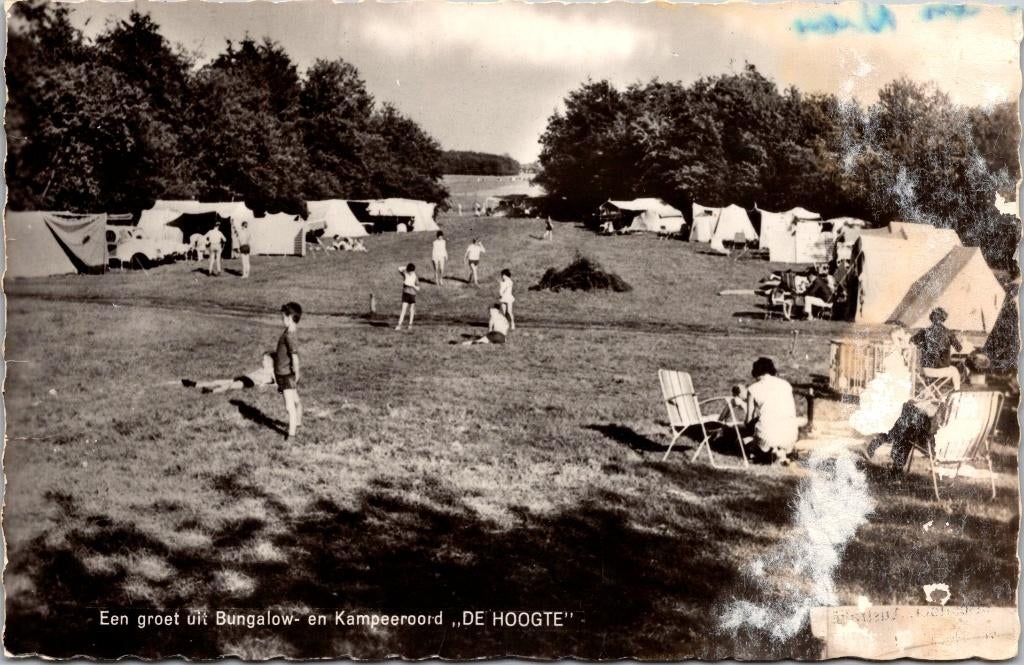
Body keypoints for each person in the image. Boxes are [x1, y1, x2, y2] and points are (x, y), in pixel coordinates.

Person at [850, 326, 914, 435]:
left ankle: (891, 426)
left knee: (893, 401)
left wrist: (906, 344)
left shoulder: (899, 348)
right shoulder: (896, 347)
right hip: (893, 374)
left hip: (896, 374)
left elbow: (903, 352)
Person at [745, 357, 799, 464]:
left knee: (745, 441)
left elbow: (748, 420)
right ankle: (782, 452)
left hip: (767, 435)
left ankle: (768, 452)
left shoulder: (753, 388)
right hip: (790, 433)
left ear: (756, 373)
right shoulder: (786, 385)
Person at [911, 307, 963, 391]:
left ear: (931, 318)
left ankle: (934, 390)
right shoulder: (949, 333)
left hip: (924, 370)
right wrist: (960, 340)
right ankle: (956, 392)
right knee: (955, 371)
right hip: (939, 370)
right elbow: (959, 349)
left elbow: (911, 342)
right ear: (943, 319)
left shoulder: (924, 331)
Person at [182, 352, 275, 394]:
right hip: (244, 378)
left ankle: (211, 391)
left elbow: (272, 381)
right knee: (217, 381)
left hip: (249, 382)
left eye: (264, 360)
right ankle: (194, 384)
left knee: (229, 385)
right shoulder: (261, 369)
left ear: (270, 361)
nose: (262, 361)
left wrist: (264, 384)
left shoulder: (271, 371)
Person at [276, 302, 303, 441]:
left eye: (283, 317)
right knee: (295, 400)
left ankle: (291, 436)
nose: (282, 320)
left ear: (290, 317)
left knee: (289, 406)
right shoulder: (288, 332)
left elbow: (295, 357)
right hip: (284, 374)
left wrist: (296, 374)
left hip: (287, 376)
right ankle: (298, 422)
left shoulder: (290, 335)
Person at [396, 263, 419, 330]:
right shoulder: (405, 274)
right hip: (405, 293)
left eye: (412, 271)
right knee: (403, 309)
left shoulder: (415, 277)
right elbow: (399, 269)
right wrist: (407, 268)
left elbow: (418, 289)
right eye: (410, 271)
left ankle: (410, 325)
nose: (411, 273)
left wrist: (413, 285)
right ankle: (399, 325)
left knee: (411, 310)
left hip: (412, 294)